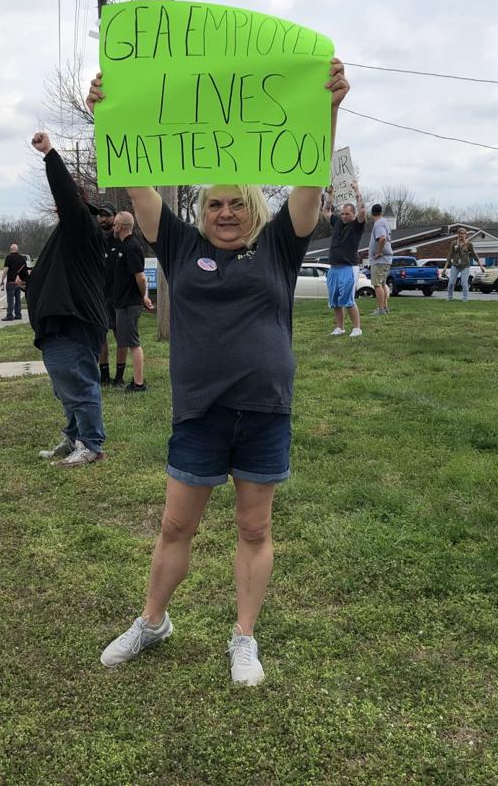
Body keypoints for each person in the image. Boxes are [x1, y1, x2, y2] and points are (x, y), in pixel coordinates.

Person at [88, 58, 349, 686]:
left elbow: (310, 181)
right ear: (201, 212)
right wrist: (108, 114)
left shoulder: (281, 245)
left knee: (253, 527)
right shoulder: (181, 246)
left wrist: (328, 109)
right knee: (177, 524)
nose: (225, 213)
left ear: (254, 208)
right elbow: (138, 186)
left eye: (236, 204)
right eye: (214, 205)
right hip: (200, 413)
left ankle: (244, 638)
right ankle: (153, 622)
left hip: (263, 410)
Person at [26, 131, 109, 467]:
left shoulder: (82, 228)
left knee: (77, 383)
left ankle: (91, 445)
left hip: (74, 323)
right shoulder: (68, 235)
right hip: (61, 323)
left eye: (66, 203)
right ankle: (75, 437)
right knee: (65, 387)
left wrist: (50, 155)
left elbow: (66, 193)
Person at [109, 211, 155, 392]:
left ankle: (139, 383)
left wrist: (143, 297)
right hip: (122, 302)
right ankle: (137, 381)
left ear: (120, 226)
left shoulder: (132, 246)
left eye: (115, 225)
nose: (113, 227)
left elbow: (141, 277)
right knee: (128, 342)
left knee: (133, 344)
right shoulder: (123, 245)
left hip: (130, 303)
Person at [324, 181, 365, 336]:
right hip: (334, 268)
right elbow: (326, 212)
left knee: (348, 300)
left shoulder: (356, 225)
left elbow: (362, 211)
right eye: (342, 213)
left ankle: (357, 328)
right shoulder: (337, 223)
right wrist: (329, 195)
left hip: (349, 267)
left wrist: (357, 191)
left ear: (352, 215)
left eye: (347, 213)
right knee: (335, 301)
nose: (343, 216)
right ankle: (340, 328)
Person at [93, 204, 122, 385]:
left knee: (122, 337)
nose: (103, 219)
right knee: (101, 337)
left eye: (107, 216)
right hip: (98, 296)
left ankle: (119, 375)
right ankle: (104, 376)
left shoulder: (121, 239)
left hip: (118, 296)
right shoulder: (95, 238)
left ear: (114, 218)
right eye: (101, 216)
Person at [443, 227, 480, 301]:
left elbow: (474, 255)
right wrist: (445, 267)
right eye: (459, 233)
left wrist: (481, 265)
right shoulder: (453, 243)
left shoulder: (469, 244)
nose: (461, 235)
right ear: (457, 234)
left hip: (465, 266)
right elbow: (449, 255)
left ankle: (465, 298)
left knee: (464, 283)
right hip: (455, 265)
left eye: (462, 233)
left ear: (465, 235)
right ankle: (450, 297)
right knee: (451, 282)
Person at [368, 202, 392, 314]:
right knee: (382, 284)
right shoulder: (384, 222)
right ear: (381, 212)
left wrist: (378, 252)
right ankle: (385, 307)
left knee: (377, 285)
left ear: (372, 213)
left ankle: (380, 309)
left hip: (380, 261)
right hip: (385, 260)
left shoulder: (378, 224)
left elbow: (382, 238)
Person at [2, 243, 28, 321]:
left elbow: (6, 270)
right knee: (18, 299)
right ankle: (18, 314)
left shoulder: (8, 257)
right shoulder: (22, 258)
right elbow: (25, 271)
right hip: (18, 282)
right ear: (17, 249)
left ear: (11, 250)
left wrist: (2, 280)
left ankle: (10, 315)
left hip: (11, 282)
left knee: (10, 299)